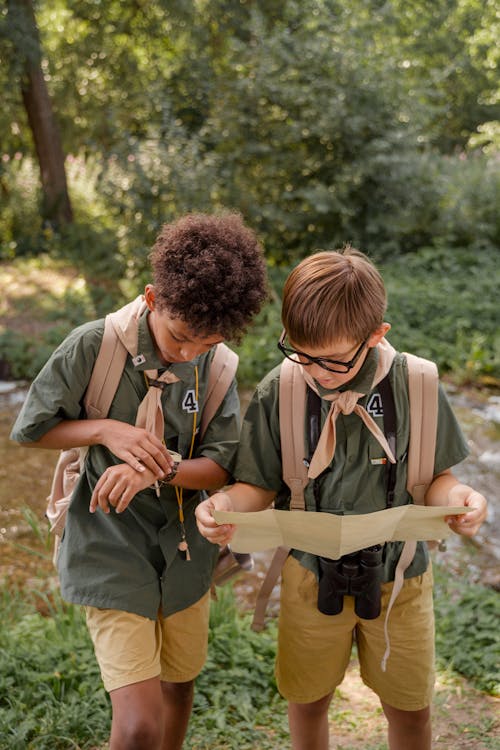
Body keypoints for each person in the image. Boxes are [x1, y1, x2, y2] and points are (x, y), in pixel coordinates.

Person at [195, 247, 488, 750]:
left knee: (411, 709)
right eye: (300, 353)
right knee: (307, 702)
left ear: (377, 336)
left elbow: (437, 479)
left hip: (401, 576)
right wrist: (224, 507)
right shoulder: (281, 390)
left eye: (331, 359)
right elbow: (258, 487)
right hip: (309, 571)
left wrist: (460, 496)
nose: (316, 371)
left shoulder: (416, 384)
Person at [10, 212, 268, 750]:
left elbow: (220, 465)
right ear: (152, 298)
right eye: (180, 337)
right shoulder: (93, 346)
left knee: (178, 687)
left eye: (207, 342)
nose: (189, 353)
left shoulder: (216, 366)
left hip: (186, 550)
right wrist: (106, 430)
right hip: (106, 542)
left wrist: (162, 465)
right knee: (138, 726)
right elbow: (31, 431)